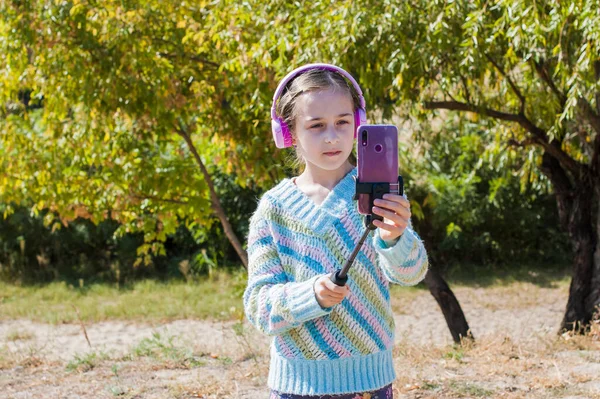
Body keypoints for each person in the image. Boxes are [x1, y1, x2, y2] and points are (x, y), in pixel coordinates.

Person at [243, 63, 429, 399]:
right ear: (289, 133)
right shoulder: (273, 210)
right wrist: (310, 296)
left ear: (358, 124)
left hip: (369, 384)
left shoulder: (380, 196)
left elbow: (412, 273)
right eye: (316, 126)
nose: (332, 136)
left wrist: (395, 239)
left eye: (343, 122)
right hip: (295, 387)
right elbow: (259, 307)